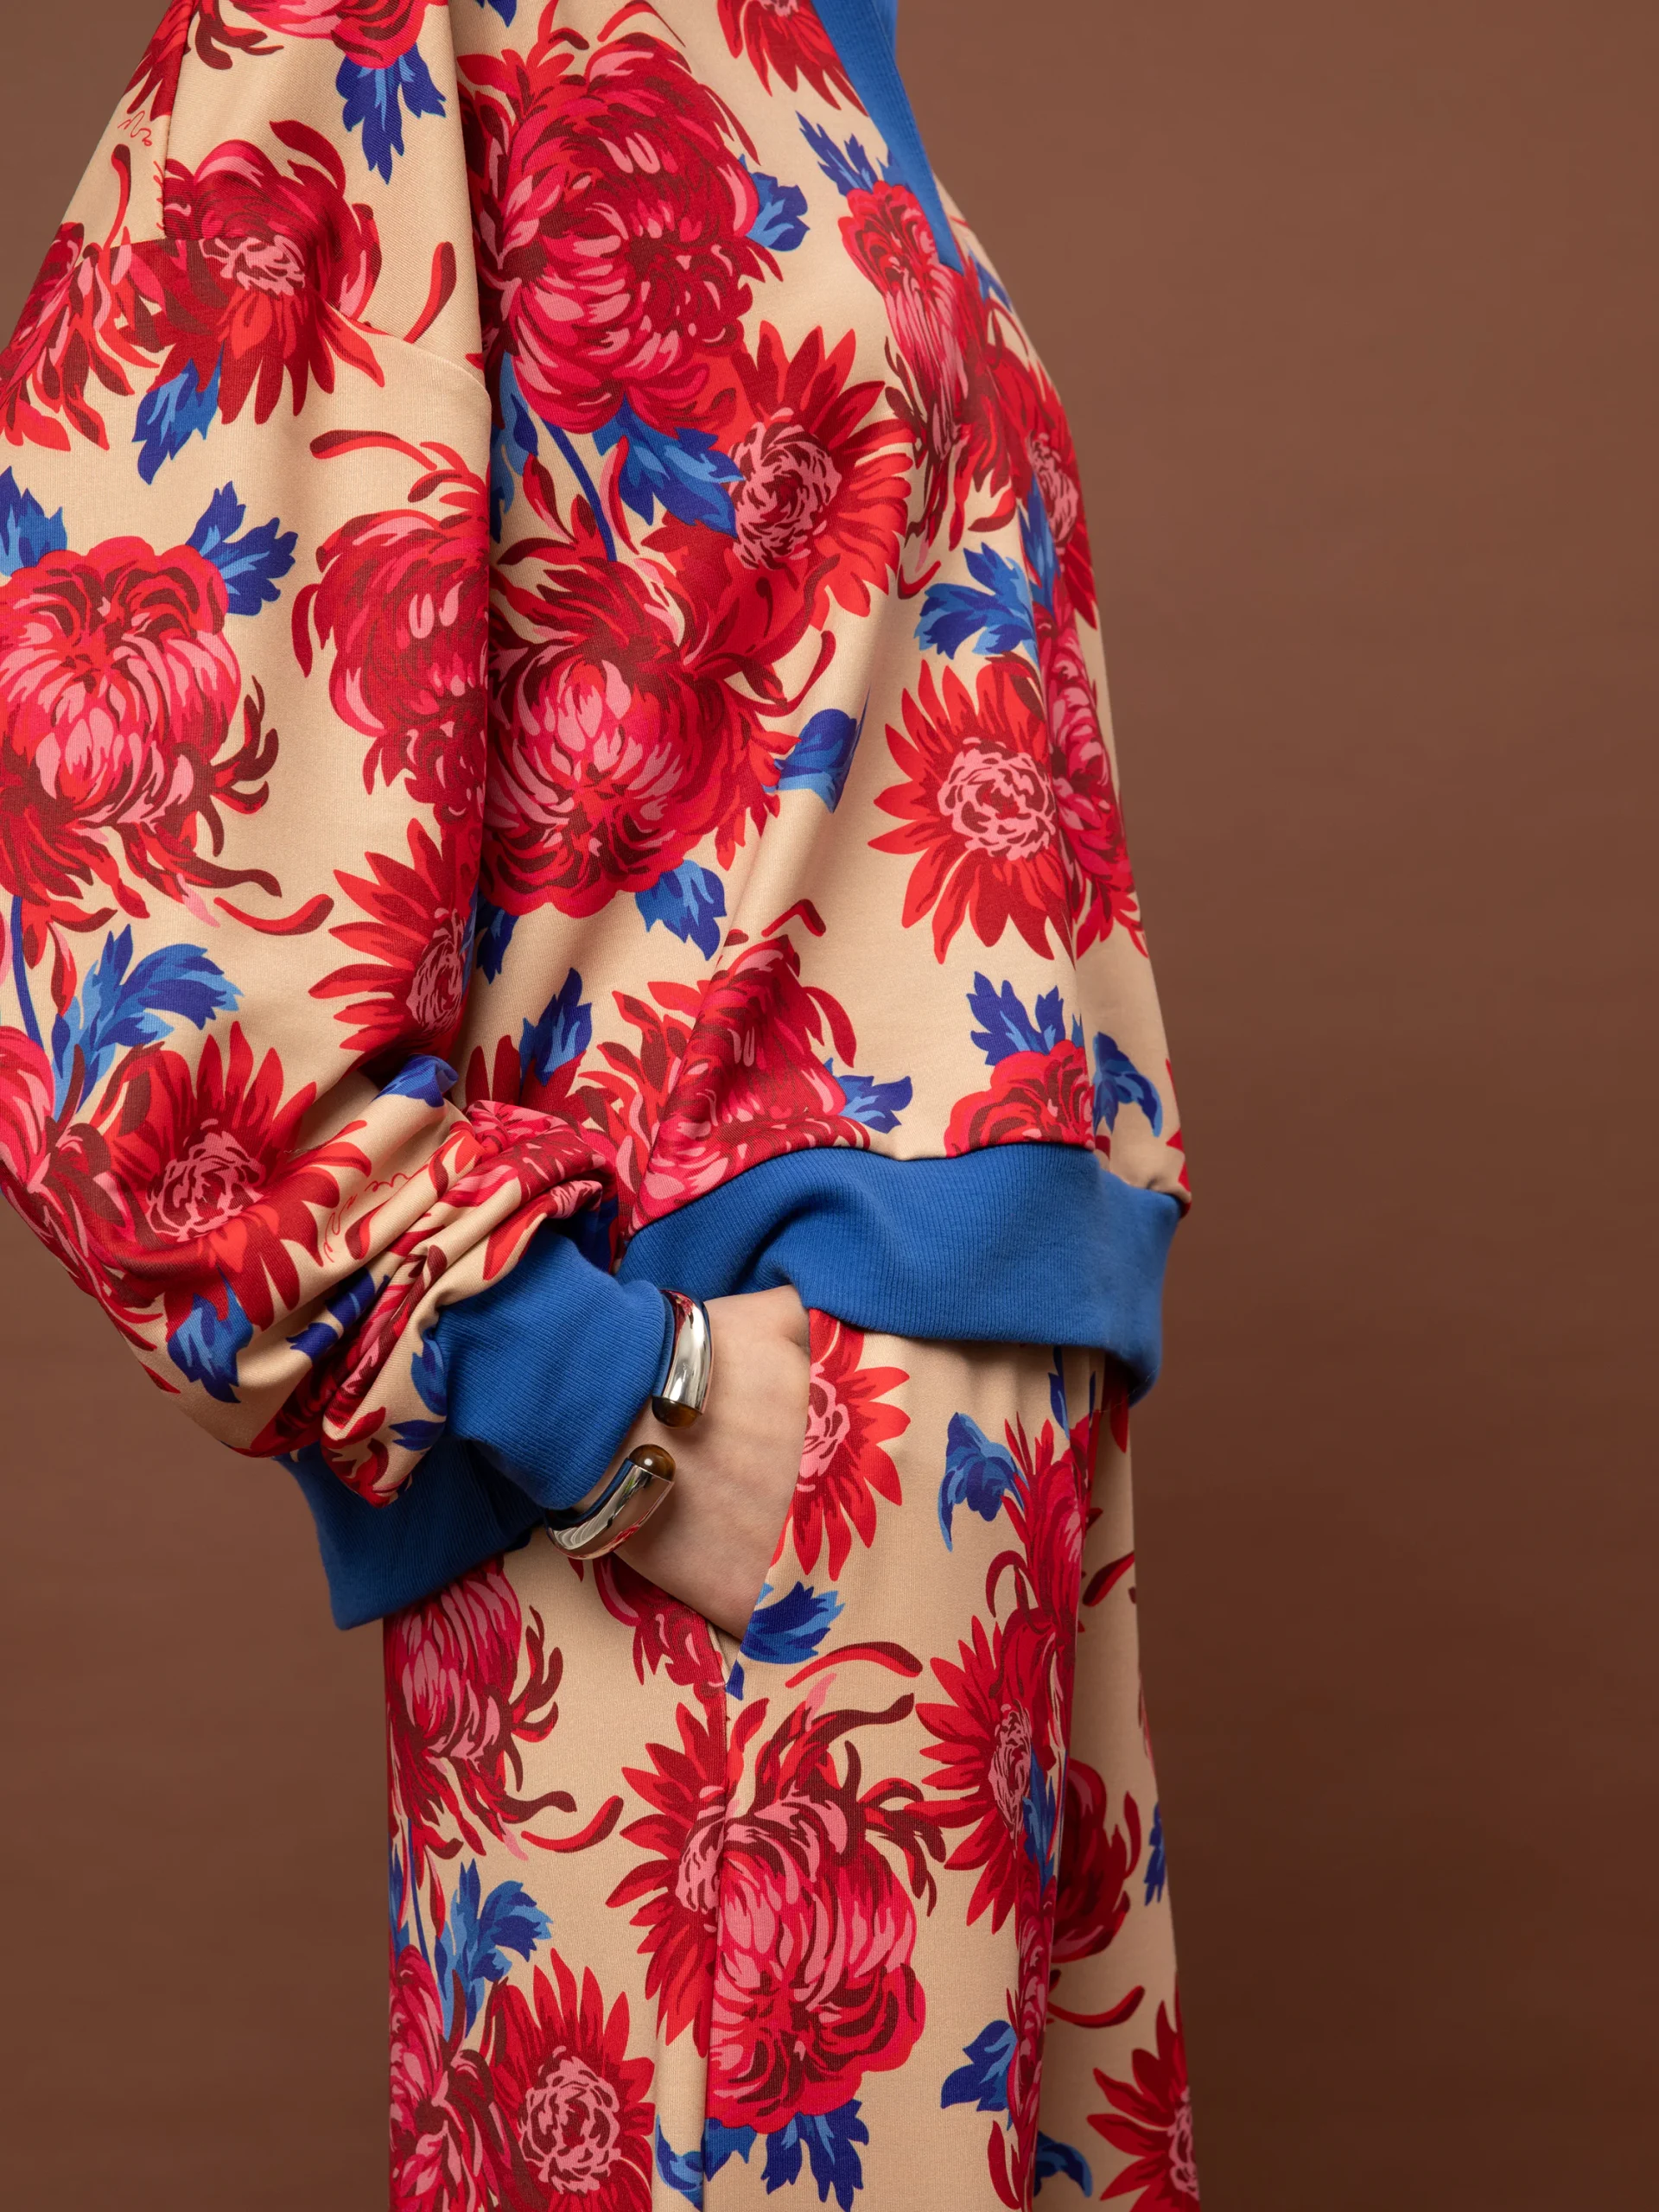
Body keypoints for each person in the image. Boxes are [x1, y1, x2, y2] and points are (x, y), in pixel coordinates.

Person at [0, 3, 1198, 2204]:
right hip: (710, 1498)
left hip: (998, 1475)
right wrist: (589, 1386)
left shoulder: (827, 43)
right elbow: (119, 759)